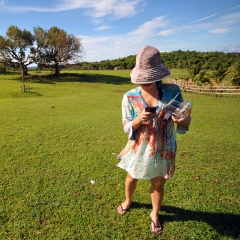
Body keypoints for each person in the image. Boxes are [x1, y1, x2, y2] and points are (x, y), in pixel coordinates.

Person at [116, 45, 191, 234]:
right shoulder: (130, 96)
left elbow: (183, 122)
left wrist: (184, 120)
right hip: (138, 146)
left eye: (147, 79)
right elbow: (126, 126)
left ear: (157, 75)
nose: (143, 83)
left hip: (164, 146)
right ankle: (128, 200)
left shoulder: (172, 91)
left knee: (158, 182)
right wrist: (138, 120)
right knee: (132, 176)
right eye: (140, 79)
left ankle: (155, 213)